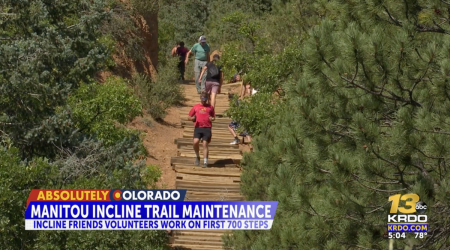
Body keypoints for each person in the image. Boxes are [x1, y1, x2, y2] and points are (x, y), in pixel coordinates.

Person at [188, 92, 215, 167]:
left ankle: (205, 161)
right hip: (198, 127)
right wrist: (192, 118)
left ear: (207, 99)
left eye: (205, 99)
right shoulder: (196, 107)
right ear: (200, 98)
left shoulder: (210, 107)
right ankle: (197, 156)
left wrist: (211, 119)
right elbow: (189, 116)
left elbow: (213, 117)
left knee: (204, 144)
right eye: (202, 99)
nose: (203, 100)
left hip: (207, 127)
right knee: (195, 142)